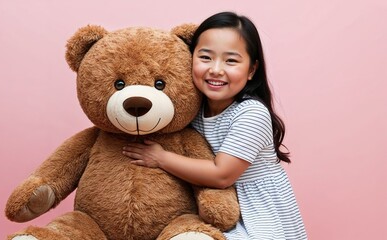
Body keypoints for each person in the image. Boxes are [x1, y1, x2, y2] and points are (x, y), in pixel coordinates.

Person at [122, 11, 307, 240]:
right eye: (205, 57)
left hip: (257, 217)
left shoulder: (251, 113)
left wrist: (160, 158)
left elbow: (222, 175)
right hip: (210, 209)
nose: (216, 69)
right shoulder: (194, 109)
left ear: (251, 70)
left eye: (231, 60)